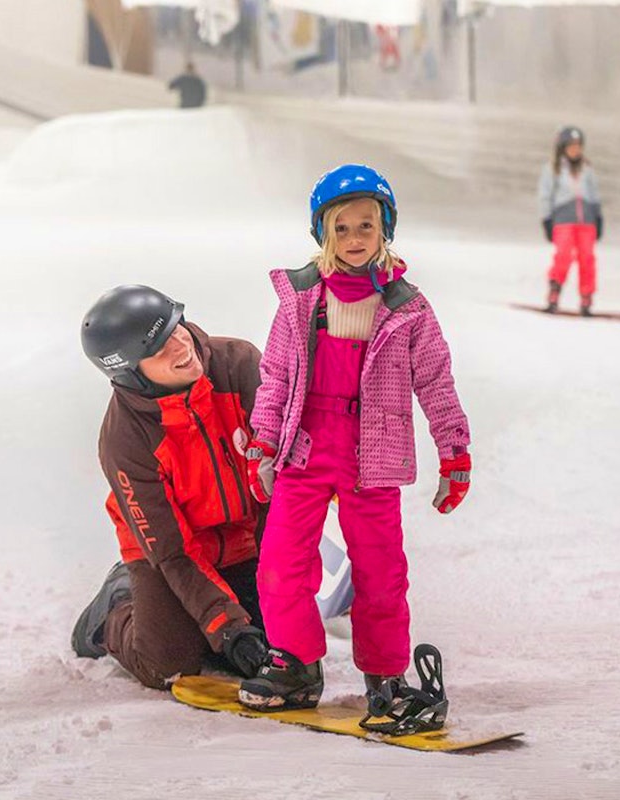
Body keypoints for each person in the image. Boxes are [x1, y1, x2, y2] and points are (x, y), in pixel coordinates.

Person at [235, 164, 471, 711]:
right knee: (280, 563)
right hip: (305, 450)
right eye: (341, 228)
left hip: (374, 457)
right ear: (323, 233)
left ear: (385, 228)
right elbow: (276, 376)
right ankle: (295, 664)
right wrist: (263, 443)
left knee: (381, 572)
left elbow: (437, 383)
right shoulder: (301, 300)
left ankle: (385, 674)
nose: (354, 238)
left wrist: (454, 454)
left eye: (366, 225)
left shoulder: (408, 308)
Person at [73, 285, 269, 691]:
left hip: (245, 539)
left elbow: (276, 487)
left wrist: (279, 580)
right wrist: (227, 627)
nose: (181, 346)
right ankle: (115, 608)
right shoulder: (125, 440)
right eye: (159, 348)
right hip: (166, 552)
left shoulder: (240, 366)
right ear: (130, 372)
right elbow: (171, 550)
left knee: (273, 642)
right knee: (169, 663)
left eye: (176, 329)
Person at [538, 126, 602, 316]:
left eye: (578, 146)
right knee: (563, 256)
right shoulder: (553, 169)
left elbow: (594, 193)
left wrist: (598, 217)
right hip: (563, 220)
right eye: (571, 146)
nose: (575, 149)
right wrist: (546, 219)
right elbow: (545, 195)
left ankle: (586, 298)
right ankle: (554, 293)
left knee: (587, 258)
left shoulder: (587, 168)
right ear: (562, 147)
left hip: (586, 221)